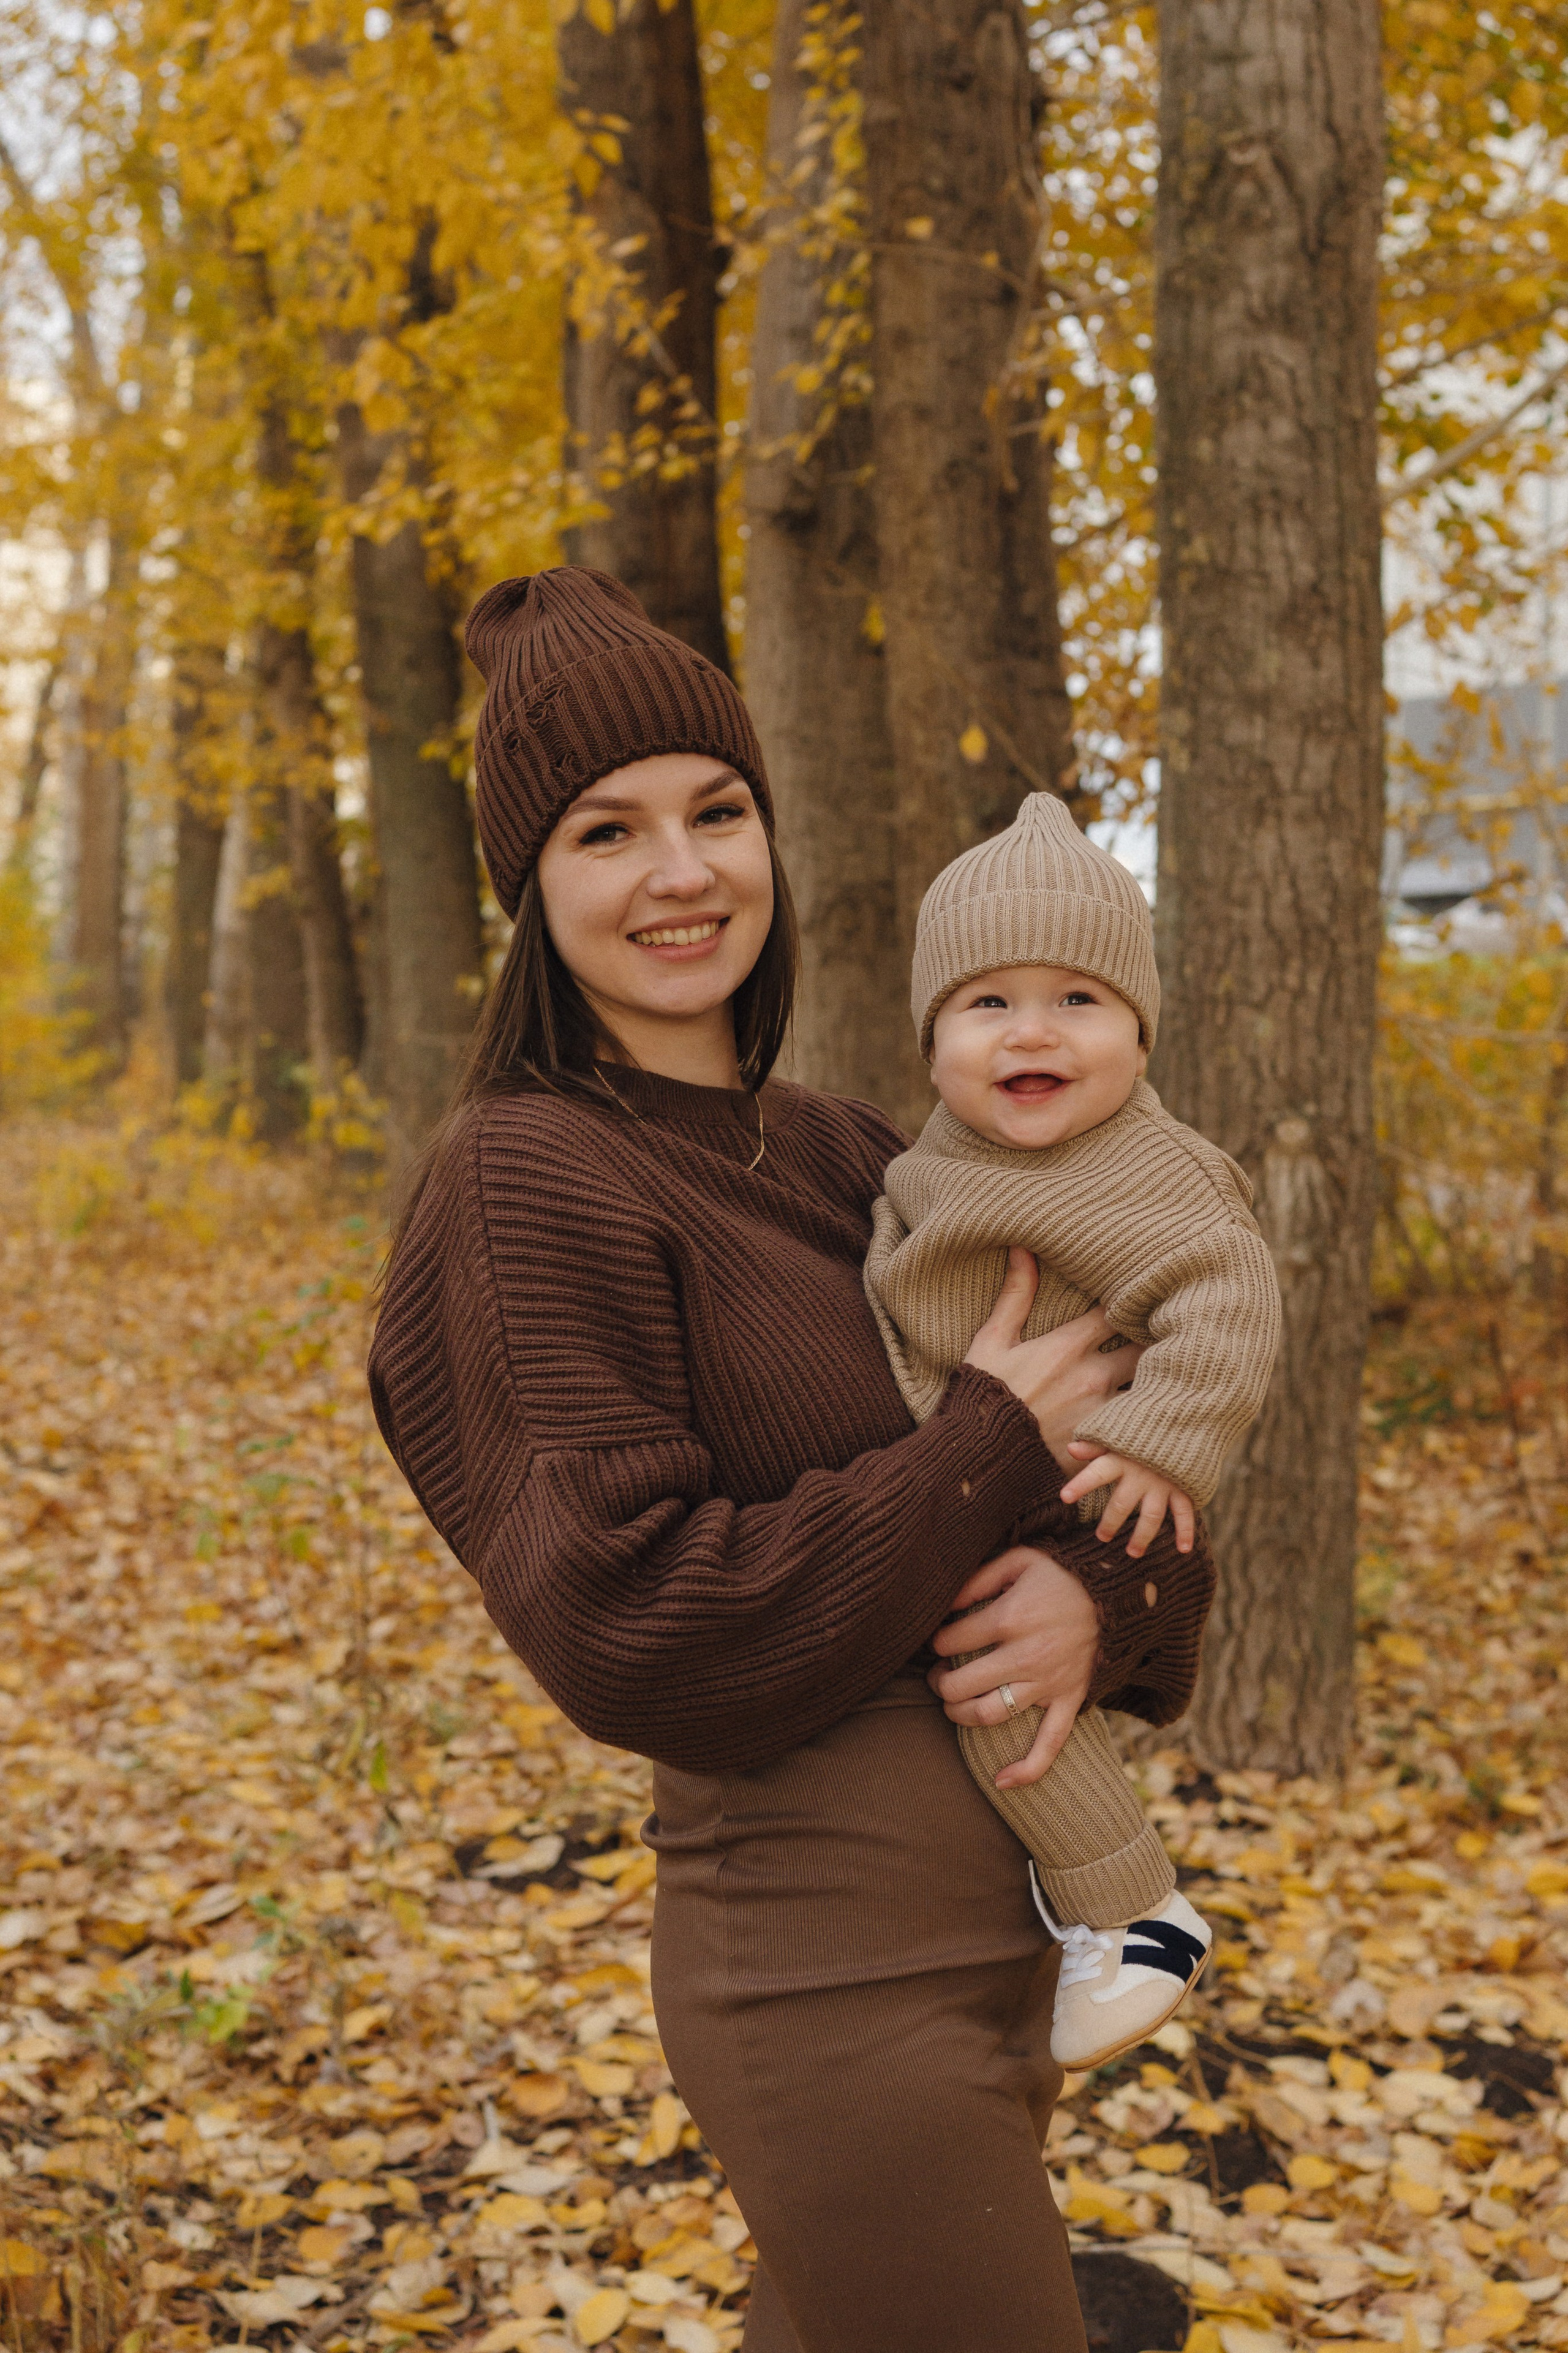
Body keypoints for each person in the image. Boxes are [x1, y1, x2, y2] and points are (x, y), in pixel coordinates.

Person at [369, 567, 1217, 2353]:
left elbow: (1140, 1457)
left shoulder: (850, 1151)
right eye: (608, 831)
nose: (681, 872)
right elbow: (635, 1629)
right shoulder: (528, 1175)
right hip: (829, 1979)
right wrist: (981, 1450)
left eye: (718, 811)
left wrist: (1095, 1596)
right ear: (531, 883)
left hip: (1012, 1942)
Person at [864, 791, 1283, 2069]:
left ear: (1139, 1035)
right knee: (989, 1678)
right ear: (932, 1036)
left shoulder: (1151, 1171)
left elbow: (1232, 1296)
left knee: (995, 1684)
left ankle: (1133, 1908)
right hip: (958, 1471)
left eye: (1078, 1000)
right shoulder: (933, 1156)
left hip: (1087, 1476)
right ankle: (1107, 1898)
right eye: (986, 1002)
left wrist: (1162, 1436)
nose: (1031, 1030)